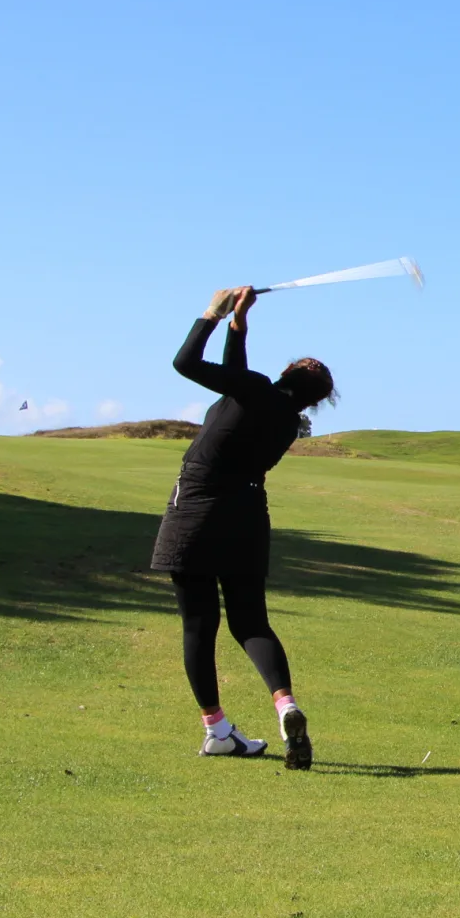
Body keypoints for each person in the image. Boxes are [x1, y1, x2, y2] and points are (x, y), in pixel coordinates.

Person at [149, 285, 336, 769]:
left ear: (283, 374)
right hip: (248, 516)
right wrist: (239, 324)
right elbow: (237, 376)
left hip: (197, 509)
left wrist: (210, 313)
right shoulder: (286, 421)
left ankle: (216, 728)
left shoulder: (255, 390)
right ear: (314, 401)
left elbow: (185, 364)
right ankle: (284, 704)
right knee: (250, 621)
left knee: (199, 625)